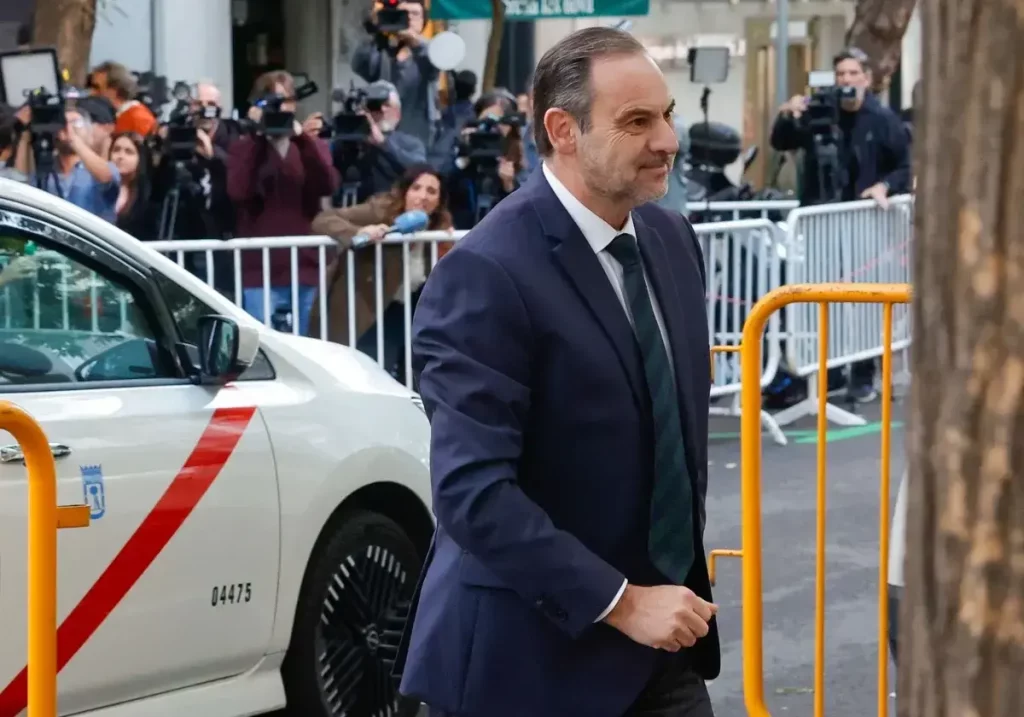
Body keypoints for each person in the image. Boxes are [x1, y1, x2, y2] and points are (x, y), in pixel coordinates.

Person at [397, 26, 719, 717]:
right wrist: (621, 602)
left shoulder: (671, 240)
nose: (667, 140)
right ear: (562, 130)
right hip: (527, 665)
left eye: (667, 115)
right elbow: (472, 491)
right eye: (637, 122)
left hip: (664, 654)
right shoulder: (486, 273)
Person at [769, 47, 911, 402]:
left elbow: (905, 167)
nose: (846, 81)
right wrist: (787, 116)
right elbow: (780, 142)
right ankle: (829, 371)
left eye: (852, 74)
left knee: (864, 301)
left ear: (866, 79)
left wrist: (884, 186)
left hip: (866, 225)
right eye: (840, 74)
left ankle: (863, 373)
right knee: (823, 297)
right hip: (821, 222)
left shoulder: (883, 119)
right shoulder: (820, 113)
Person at [308, 164, 452, 380]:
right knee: (372, 375)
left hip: (410, 310)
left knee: (417, 375)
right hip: (368, 308)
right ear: (404, 191)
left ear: (439, 201)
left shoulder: (439, 225)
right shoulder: (381, 209)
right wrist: (359, 232)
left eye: (431, 191)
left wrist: (446, 244)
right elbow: (324, 219)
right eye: (416, 188)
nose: (422, 196)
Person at [227, 70, 337, 335]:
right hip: (260, 269)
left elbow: (327, 185)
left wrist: (301, 139)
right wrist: (258, 136)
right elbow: (239, 192)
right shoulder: (244, 147)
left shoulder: (310, 145)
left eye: (286, 101)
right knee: (266, 348)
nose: (280, 108)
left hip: (305, 266)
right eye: (273, 102)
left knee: (308, 347)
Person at [352, 0, 439, 149]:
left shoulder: (428, 51)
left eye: (415, 14)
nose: (409, 18)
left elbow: (434, 67)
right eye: (404, 13)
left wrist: (414, 42)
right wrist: (374, 30)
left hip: (417, 135)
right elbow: (359, 65)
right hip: (384, 132)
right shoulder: (384, 50)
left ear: (423, 22)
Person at [11, 104, 121, 222]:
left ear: (90, 134)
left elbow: (107, 177)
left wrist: (73, 139)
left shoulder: (100, 169)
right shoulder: (46, 172)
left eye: (76, 122)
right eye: (63, 123)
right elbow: (19, 182)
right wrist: (26, 133)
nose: (68, 127)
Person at [439, 89, 527, 229]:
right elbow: (442, 185)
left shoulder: (515, 159)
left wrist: (508, 186)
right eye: (486, 120)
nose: (492, 128)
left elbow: (521, 214)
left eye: (499, 122)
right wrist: (464, 153)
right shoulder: (459, 148)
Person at [88, 61, 159, 136]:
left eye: (96, 87)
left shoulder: (139, 118)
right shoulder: (114, 115)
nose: (91, 93)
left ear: (114, 90)